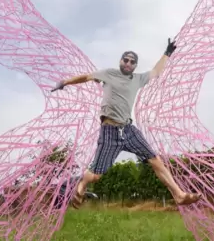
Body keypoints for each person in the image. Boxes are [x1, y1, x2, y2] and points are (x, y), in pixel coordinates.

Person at [51, 38, 201, 208]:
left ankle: (179, 194)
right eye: (126, 60)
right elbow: (86, 77)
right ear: (121, 61)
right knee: (96, 175)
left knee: (155, 159)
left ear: (135, 65)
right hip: (109, 130)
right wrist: (64, 82)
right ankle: (78, 188)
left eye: (132, 62)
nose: (129, 63)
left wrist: (167, 53)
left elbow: (156, 71)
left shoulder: (138, 78)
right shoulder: (108, 73)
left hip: (128, 130)